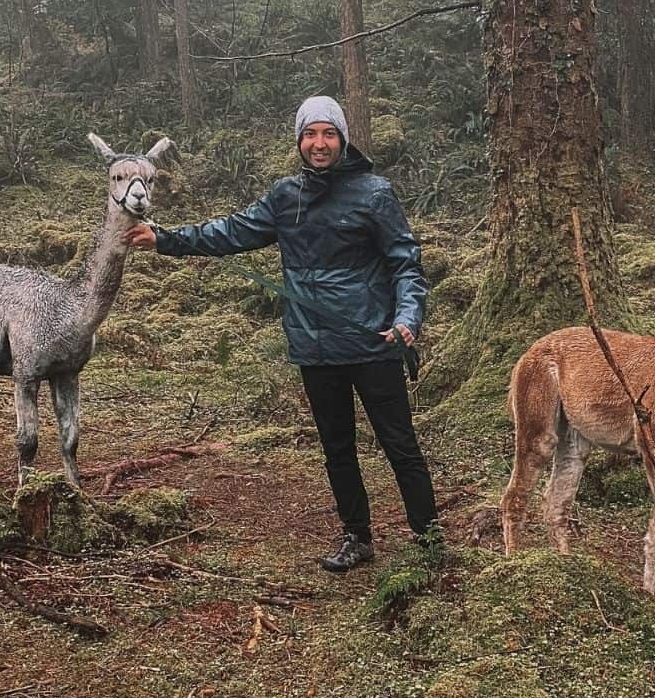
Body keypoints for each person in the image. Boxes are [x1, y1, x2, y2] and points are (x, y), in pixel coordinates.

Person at [127, 95, 439, 572]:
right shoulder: (284, 196)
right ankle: (357, 537)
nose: (319, 144)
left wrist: (407, 319)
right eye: (310, 134)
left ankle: (429, 539)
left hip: (373, 342)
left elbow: (406, 264)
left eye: (328, 134)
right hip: (313, 346)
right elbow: (229, 232)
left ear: (343, 140)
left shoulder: (374, 192)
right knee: (337, 449)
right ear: (299, 140)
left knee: (399, 445)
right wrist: (166, 238)